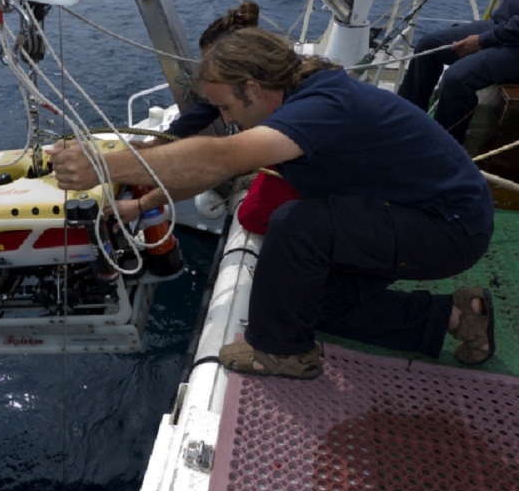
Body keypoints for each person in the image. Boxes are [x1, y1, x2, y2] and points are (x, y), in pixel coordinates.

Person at [49, 27, 496, 379]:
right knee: (307, 306)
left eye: (225, 107)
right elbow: (216, 167)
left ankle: (281, 352)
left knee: (298, 224)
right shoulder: (299, 94)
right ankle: (457, 317)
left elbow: (222, 157)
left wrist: (102, 166)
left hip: (450, 227)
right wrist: (144, 204)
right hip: (406, 215)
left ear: (253, 88)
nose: (224, 119)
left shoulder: (322, 105)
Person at [120, 0, 299, 229]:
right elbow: (204, 113)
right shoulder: (271, 89)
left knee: (250, 215)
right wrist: (159, 141)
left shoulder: (291, 115)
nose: (225, 117)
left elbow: (216, 166)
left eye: (214, 64)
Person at [397, 0, 519, 145]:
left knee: (457, 78)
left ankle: (444, 147)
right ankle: (405, 123)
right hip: (502, 27)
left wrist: (483, 40)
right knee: (428, 46)